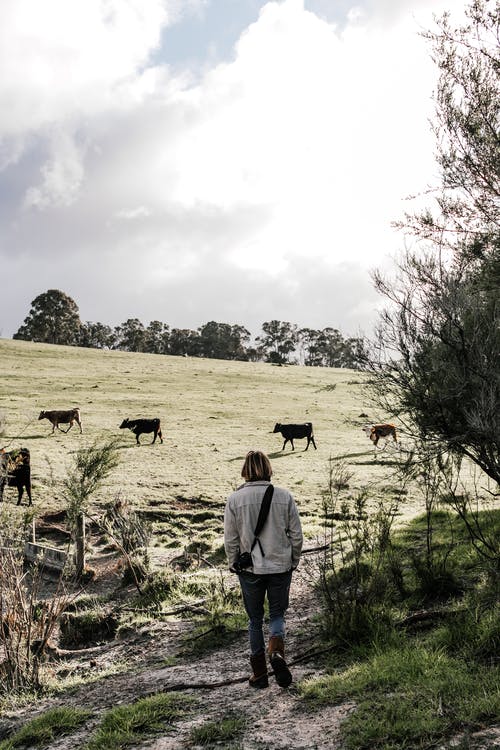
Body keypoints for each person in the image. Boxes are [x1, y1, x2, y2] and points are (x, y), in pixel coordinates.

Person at [224, 450, 303, 689]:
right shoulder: (284, 496)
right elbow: (296, 535)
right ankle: (276, 653)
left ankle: (259, 675)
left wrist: (233, 563)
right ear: (269, 468)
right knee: (277, 615)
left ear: (245, 470)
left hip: (250, 570)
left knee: (254, 619)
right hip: (280, 565)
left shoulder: (234, 499)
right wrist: (293, 560)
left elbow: (231, 539)